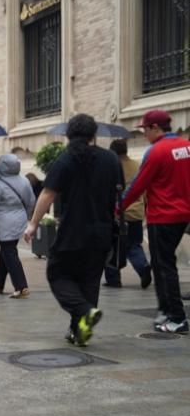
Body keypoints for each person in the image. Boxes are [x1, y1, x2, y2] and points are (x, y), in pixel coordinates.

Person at [24, 114, 122, 346]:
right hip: (103, 231)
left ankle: (85, 312)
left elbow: (47, 193)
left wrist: (33, 224)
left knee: (57, 274)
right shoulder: (110, 159)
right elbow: (118, 194)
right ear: (93, 134)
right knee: (90, 279)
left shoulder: (66, 159)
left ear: (69, 135)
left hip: (73, 232)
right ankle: (79, 330)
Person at [120, 109, 190, 333]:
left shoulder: (157, 151)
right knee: (163, 264)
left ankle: (177, 317)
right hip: (184, 214)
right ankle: (166, 310)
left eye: (145, 130)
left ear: (155, 128)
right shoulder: (186, 147)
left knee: (164, 265)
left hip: (163, 215)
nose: (144, 135)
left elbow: (138, 185)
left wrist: (118, 207)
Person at [0, 154, 36, 299]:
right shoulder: (25, 180)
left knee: (9, 252)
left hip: (4, 223)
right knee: (6, 251)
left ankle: (21, 287)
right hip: (20, 221)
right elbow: (31, 201)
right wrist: (28, 217)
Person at [103, 139, 151, 289]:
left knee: (112, 246)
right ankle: (143, 267)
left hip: (117, 213)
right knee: (134, 244)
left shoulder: (110, 166)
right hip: (136, 212)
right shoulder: (138, 165)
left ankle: (113, 280)